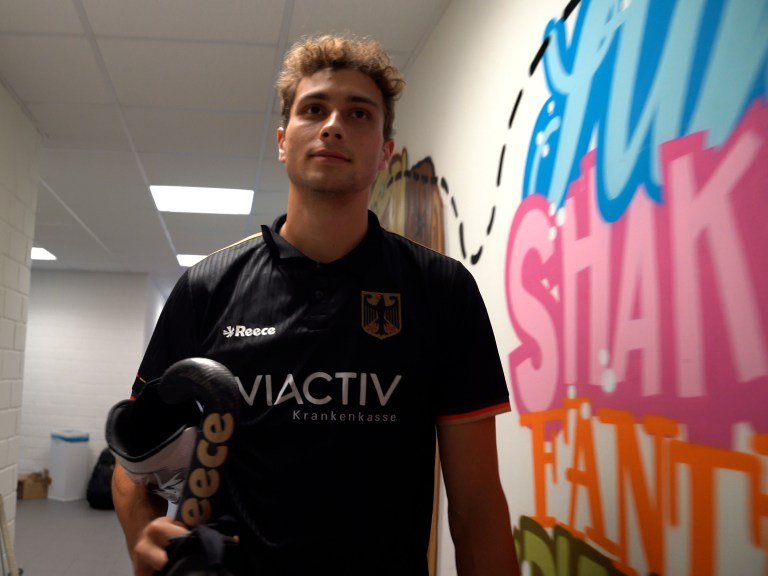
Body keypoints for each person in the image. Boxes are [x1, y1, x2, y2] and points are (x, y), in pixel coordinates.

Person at [112, 34, 518, 576]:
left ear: (385, 151)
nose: (333, 126)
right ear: (283, 142)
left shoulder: (442, 290)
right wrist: (149, 551)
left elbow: (477, 508)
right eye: (314, 109)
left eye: (358, 113)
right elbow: (132, 472)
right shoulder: (206, 287)